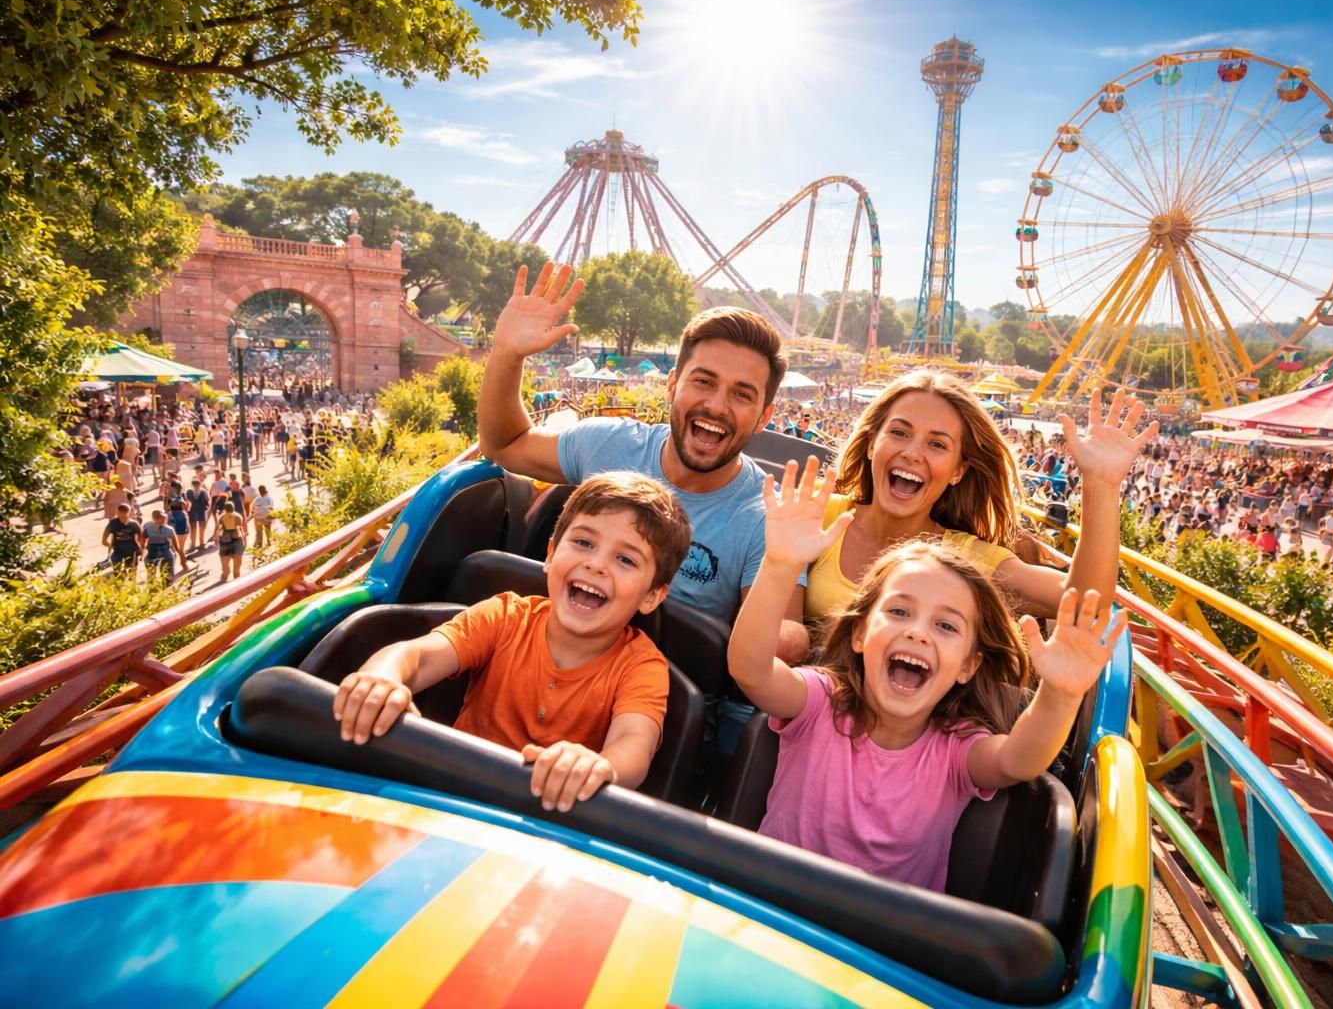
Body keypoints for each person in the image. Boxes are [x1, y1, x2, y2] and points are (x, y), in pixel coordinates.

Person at [726, 458, 1126, 890]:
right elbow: (751, 670)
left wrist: (1061, 693)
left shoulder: (955, 751)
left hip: (876, 948)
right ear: (859, 633)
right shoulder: (820, 700)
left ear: (968, 666)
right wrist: (780, 565)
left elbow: (1020, 759)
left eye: (946, 626)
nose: (917, 633)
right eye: (899, 612)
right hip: (768, 915)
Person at [333, 472, 692, 812]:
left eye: (625, 559)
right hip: (449, 797)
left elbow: (634, 743)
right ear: (551, 555)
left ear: (652, 596)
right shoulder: (506, 616)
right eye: (583, 542)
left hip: (548, 824)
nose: (596, 564)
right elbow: (417, 655)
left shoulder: (642, 666)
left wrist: (600, 766)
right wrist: (383, 677)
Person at [478, 263, 796, 629]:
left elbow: (784, 636)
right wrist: (507, 354)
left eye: (741, 394)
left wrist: (782, 633)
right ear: (673, 385)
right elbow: (504, 443)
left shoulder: (765, 518)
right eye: (704, 381)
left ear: (763, 416)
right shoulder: (611, 445)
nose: (716, 406)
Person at [804, 374, 1152, 631]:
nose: (912, 453)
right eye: (898, 433)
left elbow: (1083, 604)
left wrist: (1101, 486)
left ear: (958, 471)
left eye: (937, 445)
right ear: (870, 445)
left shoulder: (966, 558)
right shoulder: (817, 512)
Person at [102, 502, 143, 576]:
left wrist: (140, 549)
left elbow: (141, 537)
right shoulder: (114, 523)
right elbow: (105, 537)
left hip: (131, 550)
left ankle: (128, 583)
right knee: (120, 571)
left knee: (130, 572)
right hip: (119, 550)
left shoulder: (134, 524)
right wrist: (108, 544)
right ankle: (123, 581)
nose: (123, 515)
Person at [215, 498, 247, 583]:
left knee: (225, 571)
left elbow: (218, 529)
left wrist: (216, 540)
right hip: (236, 539)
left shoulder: (221, 517)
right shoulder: (238, 516)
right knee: (236, 571)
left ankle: (222, 590)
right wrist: (245, 542)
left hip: (225, 541)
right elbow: (241, 529)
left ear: (225, 509)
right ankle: (237, 588)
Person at [142, 509, 177, 582]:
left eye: (164, 519)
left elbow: (175, 542)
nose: (163, 521)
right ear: (154, 519)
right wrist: (142, 551)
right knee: (151, 576)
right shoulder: (148, 528)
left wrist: (177, 551)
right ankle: (153, 589)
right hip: (152, 552)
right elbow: (143, 539)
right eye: (160, 519)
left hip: (165, 551)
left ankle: (168, 588)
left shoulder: (169, 529)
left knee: (167, 576)